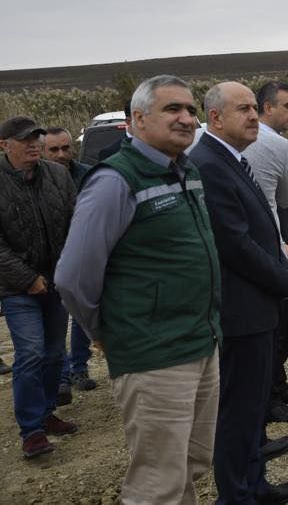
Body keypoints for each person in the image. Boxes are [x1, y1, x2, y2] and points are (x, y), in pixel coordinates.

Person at [55, 76, 220, 501]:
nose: (186, 118)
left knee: (192, 463)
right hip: (154, 354)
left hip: (200, 342)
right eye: (172, 110)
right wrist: (103, 333)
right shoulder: (115, 181)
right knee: (157, 481)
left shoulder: (188, 171)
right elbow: (73, 277)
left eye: (190, 109)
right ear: (138, 119)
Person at [189, 82, 288, 505]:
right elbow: (234, 243)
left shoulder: (231, 159)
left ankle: (255, 485)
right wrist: (281, 278)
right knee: (238, 411)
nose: (255, 116)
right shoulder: (210, 164)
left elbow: (257, 227)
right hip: (240, 310)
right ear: (215, 118)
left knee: (253, 408)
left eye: (256, 108)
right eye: (244, 110)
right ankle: (236, 496)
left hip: (255, 306)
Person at [0, 116, 77, 459]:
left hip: (57, 280)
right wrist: (28, 279)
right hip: (17, 287)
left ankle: (46, 413)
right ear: (4, 145)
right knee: (30, 353)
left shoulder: (58, 176)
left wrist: (68, 268)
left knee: (54, 352)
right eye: (24, 139)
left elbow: (77, 221)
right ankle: (31, 430)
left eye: (36, 138)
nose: (33, 144)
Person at [244, 81, 288, 424]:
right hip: (275, 244)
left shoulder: (277, 145)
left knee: (285, 323)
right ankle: (269, 399)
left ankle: (278, 384)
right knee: (275, 323)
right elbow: (284, 199)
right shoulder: (269, 145)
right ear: (267, 108)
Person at [42, 127, 97, 404]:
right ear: (43, 151)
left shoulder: (87, 174)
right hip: (47, 259)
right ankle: (61, 376)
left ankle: (78, 367)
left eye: (66, 148)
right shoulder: (36, 178)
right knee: (54, 322)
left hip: (80, 254)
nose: (61, 154)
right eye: (54, 150)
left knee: (81, 316)